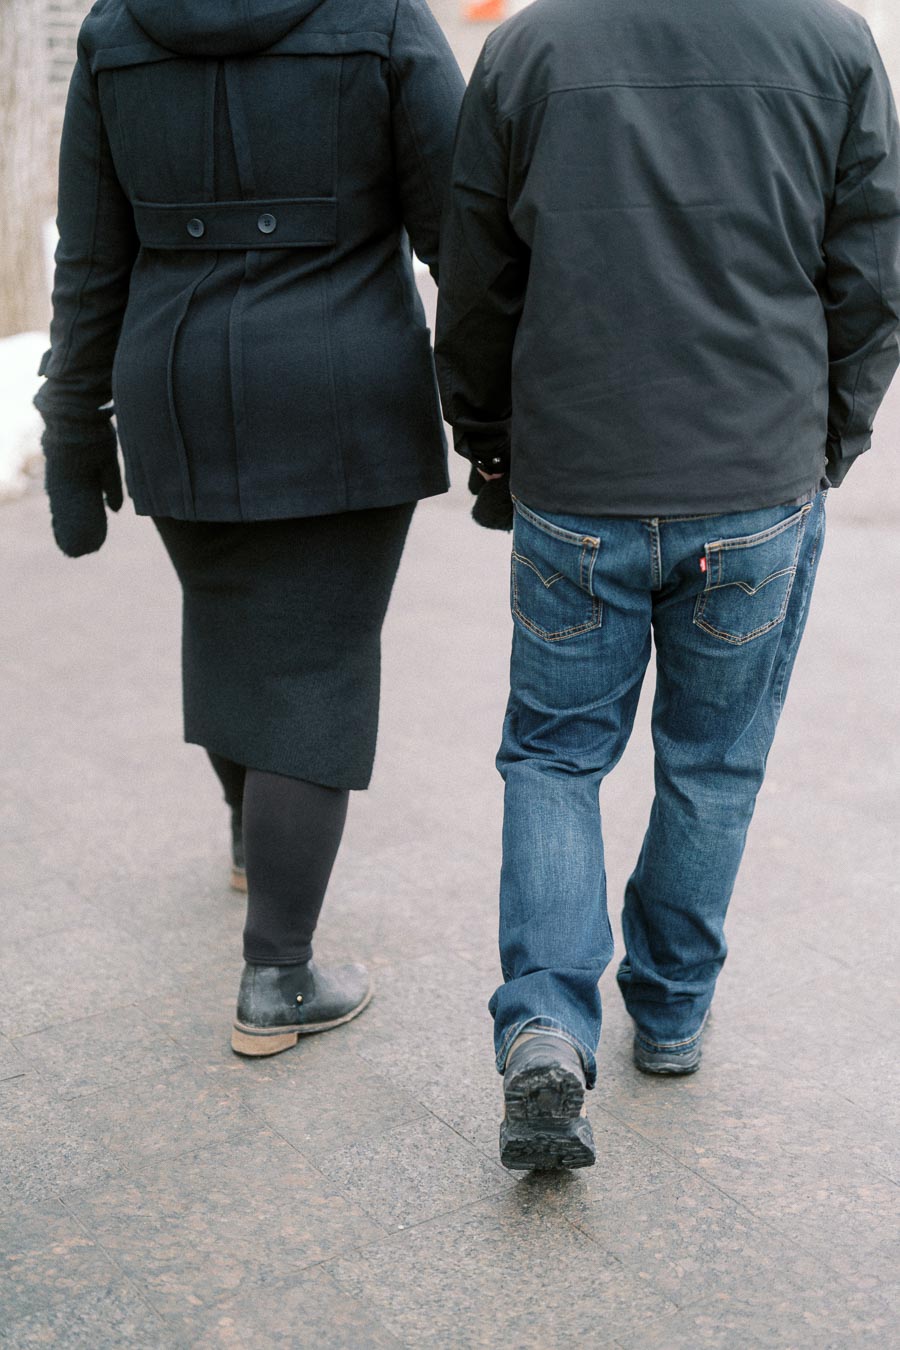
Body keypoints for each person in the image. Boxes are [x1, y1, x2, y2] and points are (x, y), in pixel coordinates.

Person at [436, 0, 900, 1170]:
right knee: (715, 759)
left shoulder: (530, 48)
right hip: (754, 476)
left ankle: (544, 1017)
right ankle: (675, 1009)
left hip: (577, 475)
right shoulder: (834, 45)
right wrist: (828, 439)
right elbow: (871, 277)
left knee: (554, 755)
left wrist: (489, 442)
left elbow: (479, 278)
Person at [35, 0, 464, 1057]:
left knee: (232, 614)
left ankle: (248, 831)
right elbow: (467, 230)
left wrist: (72, 428)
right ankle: (279, 974)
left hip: (172, 382)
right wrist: (502, 404)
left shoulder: (115, 28)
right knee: (315, 660)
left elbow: (90, 262)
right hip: (343, 385)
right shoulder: (384, 19)